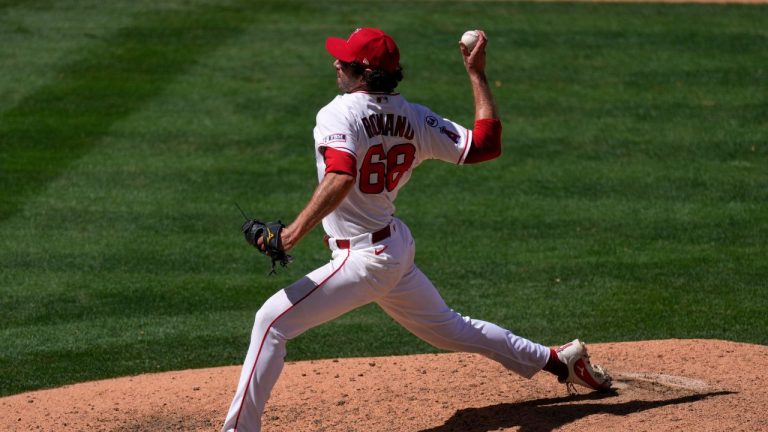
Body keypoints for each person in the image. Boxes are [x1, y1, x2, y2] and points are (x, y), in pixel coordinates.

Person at [222, 27, 611, 432]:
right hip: (392, 248)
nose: (336, 63)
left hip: (364, 259)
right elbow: (485, 146)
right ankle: (557, 360)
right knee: (451, 329)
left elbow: (340, 175)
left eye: (346, 61)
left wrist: (290, 235)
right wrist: (477, 75)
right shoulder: (417, 117)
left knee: (271, 321)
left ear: (364, 72)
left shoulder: (338, 113)